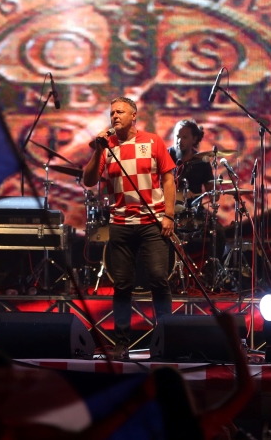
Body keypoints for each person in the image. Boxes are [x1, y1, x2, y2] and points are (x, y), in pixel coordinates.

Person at [82, 97, 176, 360]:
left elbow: (169, 178)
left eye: (120, 112)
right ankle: (121, 344)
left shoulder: (153, 141)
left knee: (158, 279)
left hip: (152, 222)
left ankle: (166, 339)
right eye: (112, 112)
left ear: (134, 115)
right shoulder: (107, 146)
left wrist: (169, 215)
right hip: (121, 224)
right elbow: (88, 180)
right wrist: (98, 150)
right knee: (122, 285)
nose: (115, 116)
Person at [168, 119, 214, 196]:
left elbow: (210, 190)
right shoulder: (165, 156)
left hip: (193, 203)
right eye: (177, 137)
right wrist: (179, 192)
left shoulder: (202, 161)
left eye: (184, 137)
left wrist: (215, 194)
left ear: (194, 139)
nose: (179, 141)